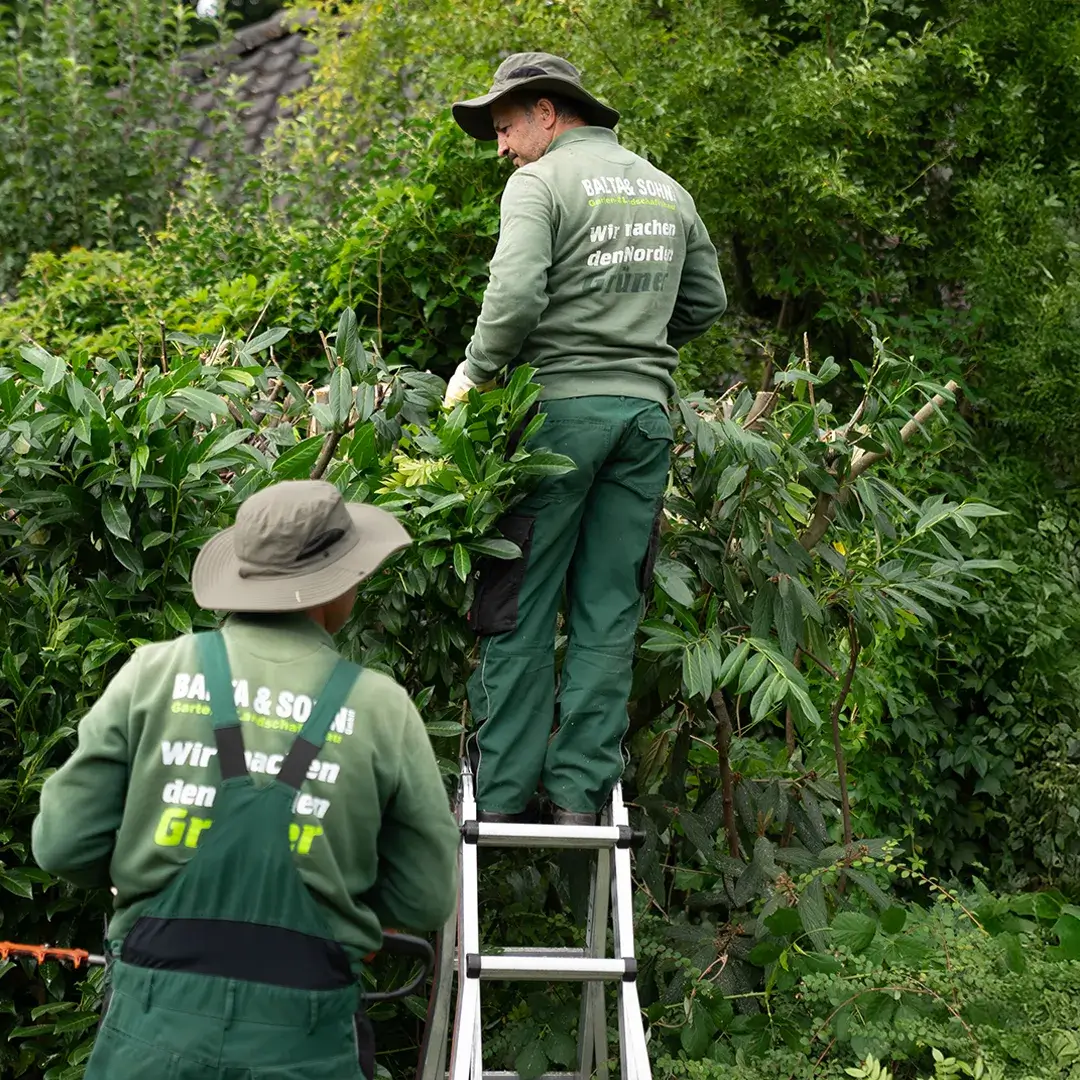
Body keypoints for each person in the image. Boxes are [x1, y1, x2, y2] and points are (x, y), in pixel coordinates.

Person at [31, 479, 460, 1080]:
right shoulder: (383, 709)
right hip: (304, 1038)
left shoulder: (151, 674)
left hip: (152, 1030)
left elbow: (61, 845)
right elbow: (426, 897)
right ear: (330, 587)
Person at [445, 52, 727, 826]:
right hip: (644, 423)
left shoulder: (538, 185)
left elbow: (515, 293)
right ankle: (576, 796)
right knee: (610, 609)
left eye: (504, 128)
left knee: (520, 602)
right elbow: (706, 301)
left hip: (559, 422)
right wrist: (633, 341)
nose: (500, 147)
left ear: (546, 110)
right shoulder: (667, 190)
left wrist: (474, 372)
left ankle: (499, 797)